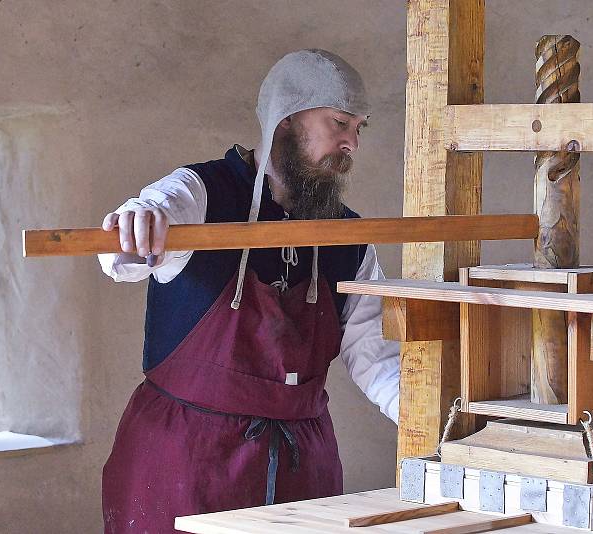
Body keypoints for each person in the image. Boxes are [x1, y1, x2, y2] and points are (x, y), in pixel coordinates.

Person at [98, 49, 400, 534]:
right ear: (284, 122)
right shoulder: (201, 194)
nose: (352, 143)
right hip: (183, 468)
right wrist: (137, 225)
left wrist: (436, 425)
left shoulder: (348, 238)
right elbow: (128, 249)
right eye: (339, 124)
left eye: (359, 128)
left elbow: (377, 358)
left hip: (303, 474)